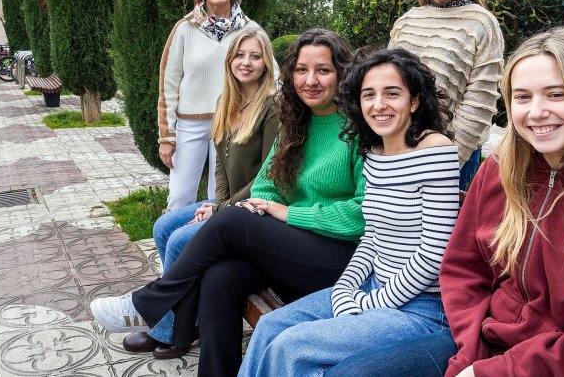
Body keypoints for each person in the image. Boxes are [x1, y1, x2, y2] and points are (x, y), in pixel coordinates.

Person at [326, 28, 564, 377]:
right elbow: (464, 269)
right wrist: (471, 348)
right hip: (482, 340)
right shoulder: (501, 171)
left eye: (556, 94)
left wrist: (493, 370)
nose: (537, 112)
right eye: (522, 97)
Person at [92, 29, 365, 377]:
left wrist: (288, 212)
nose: (310, 80)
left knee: (232, 222)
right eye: (301, 70)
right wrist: (262, 205)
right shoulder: (298, 122)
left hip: (340, 260)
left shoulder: (359, 129)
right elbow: (267, 182)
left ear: (342, 72)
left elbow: (363, 214)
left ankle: (149, 303)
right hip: (294, 249)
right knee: (219, 278)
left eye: (323, 70)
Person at [239, 48, 459, 377]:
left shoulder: (435, 150)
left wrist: (370, 303)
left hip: (421, 308)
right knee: (271, 326)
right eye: (368, 94)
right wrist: (345, 291)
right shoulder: (375, 151)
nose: (378, 104)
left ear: (414, 101)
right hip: (371, 287)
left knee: (292, 347)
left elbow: (435, 252)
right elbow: (372, 237)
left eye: (392, 93)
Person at [123, 26, 280, 359]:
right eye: (240, 55)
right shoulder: (227, 99)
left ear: (266, 62)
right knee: (164, 227)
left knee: (182, 239)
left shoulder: (272, 106)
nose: (247, 62)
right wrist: (218, 203)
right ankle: (184, 320)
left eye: (255, 56)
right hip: (229, 201)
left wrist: (222, 209)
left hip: (256, 208)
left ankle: (170, 331)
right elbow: (221, 165)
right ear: (230, 59)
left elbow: (269, 177)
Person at [389, 0, 503, 191]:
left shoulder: (482, 23)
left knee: (443, 231)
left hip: (451, 155)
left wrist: (447, 161)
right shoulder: (407, 21)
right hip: (396, 148)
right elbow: (384, 86)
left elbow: (480, 103)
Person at [158, 0, 262, 212]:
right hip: (190, 126)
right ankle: (172, 250)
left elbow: (271, 78)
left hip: (232, 123)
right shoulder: (184, 29)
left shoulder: (251, 31)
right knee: (180, 197)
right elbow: (168, 84)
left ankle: (211, 250)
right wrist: (166, 137)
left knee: (221, 198)